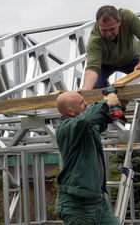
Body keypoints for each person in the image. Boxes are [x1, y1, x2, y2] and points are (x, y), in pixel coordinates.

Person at [55, 91, 121, 224]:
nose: (86, 103)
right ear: (70, 111)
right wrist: (106, 102)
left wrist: (118, 106)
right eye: (81, 103)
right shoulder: (67, 129)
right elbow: (86, 119)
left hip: (97, 202)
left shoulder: (85, 127)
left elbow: (98, 120)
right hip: (76, 206)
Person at [82, 5, 140, 90]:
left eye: (112, 29)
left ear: (119, 21)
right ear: (98, 25)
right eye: (104, 30)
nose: (109, 34)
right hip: (105, 64)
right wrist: (86, 91)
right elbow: (92, 68)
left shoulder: (127, 17)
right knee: (95, 87)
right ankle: (107, 91)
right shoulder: (94, 41)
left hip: (131, 59)